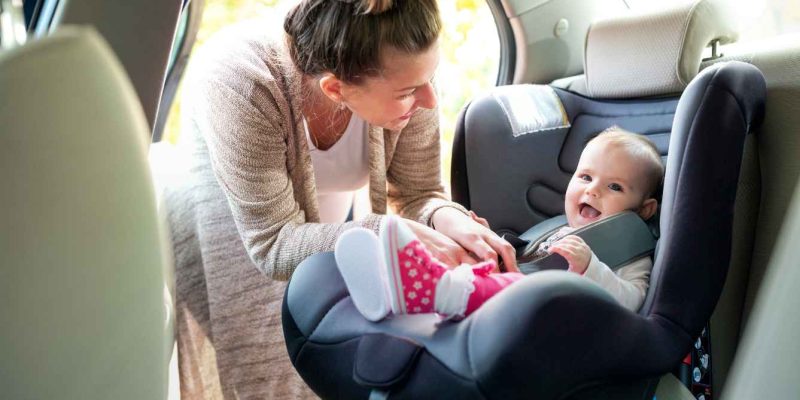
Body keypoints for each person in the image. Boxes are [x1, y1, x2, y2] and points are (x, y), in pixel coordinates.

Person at [183, 0, 518, 281]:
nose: (429, 100)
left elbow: (418, 193)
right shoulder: (242, 86)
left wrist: (446, 217)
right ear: (335, 89)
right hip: (230, 235)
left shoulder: (407, 71)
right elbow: (273, 245)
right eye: (408, 92)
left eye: (430, 77)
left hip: (330, 227)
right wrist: (387, 237)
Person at [335, 127, 664, 321]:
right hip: (524, 291)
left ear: (645, 209)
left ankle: (433, 290)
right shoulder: (561, 228)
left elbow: (633, 302)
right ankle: (391, 284)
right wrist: (488, 238)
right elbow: (530, 264)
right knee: (472, 257)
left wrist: (591, 267)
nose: (592, 189)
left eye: (615, 187)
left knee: (488, 283)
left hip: (552, 316)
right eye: (586, 177)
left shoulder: (628, 246)